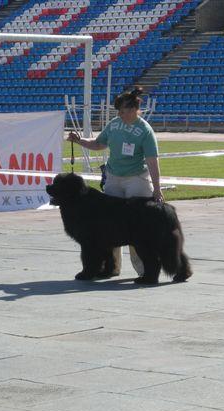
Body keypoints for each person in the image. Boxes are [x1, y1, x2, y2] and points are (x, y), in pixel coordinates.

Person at [67, 86, 162, 277]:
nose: (121, 114)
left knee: (138, 226)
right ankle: (111, 267)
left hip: (136, 179)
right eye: (119, 110)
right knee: (110, 226)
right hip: (114, 178)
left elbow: (152, 160)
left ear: (135, 109)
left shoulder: (145, 130)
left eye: (125, 110)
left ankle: (145, 270)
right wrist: (80, 141)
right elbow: (99, 144)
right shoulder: (114, 124)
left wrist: (157, 189)